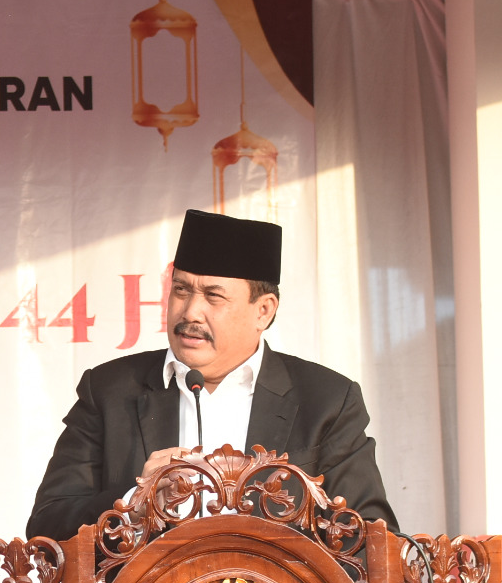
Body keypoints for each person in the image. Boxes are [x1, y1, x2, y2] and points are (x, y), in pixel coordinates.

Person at [26, 209, 398, 542]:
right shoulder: (109, 391)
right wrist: (133, 502)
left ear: (263, 311)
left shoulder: (327, 400)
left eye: (213, 297)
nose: (190, 312)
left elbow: (371, 538)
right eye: (181, 290)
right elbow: (46, 526)